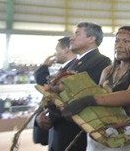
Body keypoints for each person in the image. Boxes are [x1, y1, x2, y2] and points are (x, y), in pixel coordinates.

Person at [63, 25, 130, 151]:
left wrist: (89, 100)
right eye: (117, 41)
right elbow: (100, 98)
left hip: (128, 137)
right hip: (100, 136)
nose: (119, 45)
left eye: (126, 41)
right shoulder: (108, 71)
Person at [36, 22, 111, 151]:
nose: (71, 37)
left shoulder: (101, 61)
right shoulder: (72, 64)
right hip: (59, 130)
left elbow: (81, 97)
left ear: (91, 38)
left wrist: (51, 117)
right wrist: (44, 113)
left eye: (77, 33)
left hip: (74, 132)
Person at [33, 36, 76, 146]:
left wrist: (44, 66)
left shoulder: (72, 68)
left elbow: (47, 86)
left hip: (65, 132)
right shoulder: (65, 68)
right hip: (59, 133)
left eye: (57, 50)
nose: (55, 54)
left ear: (66, 49)